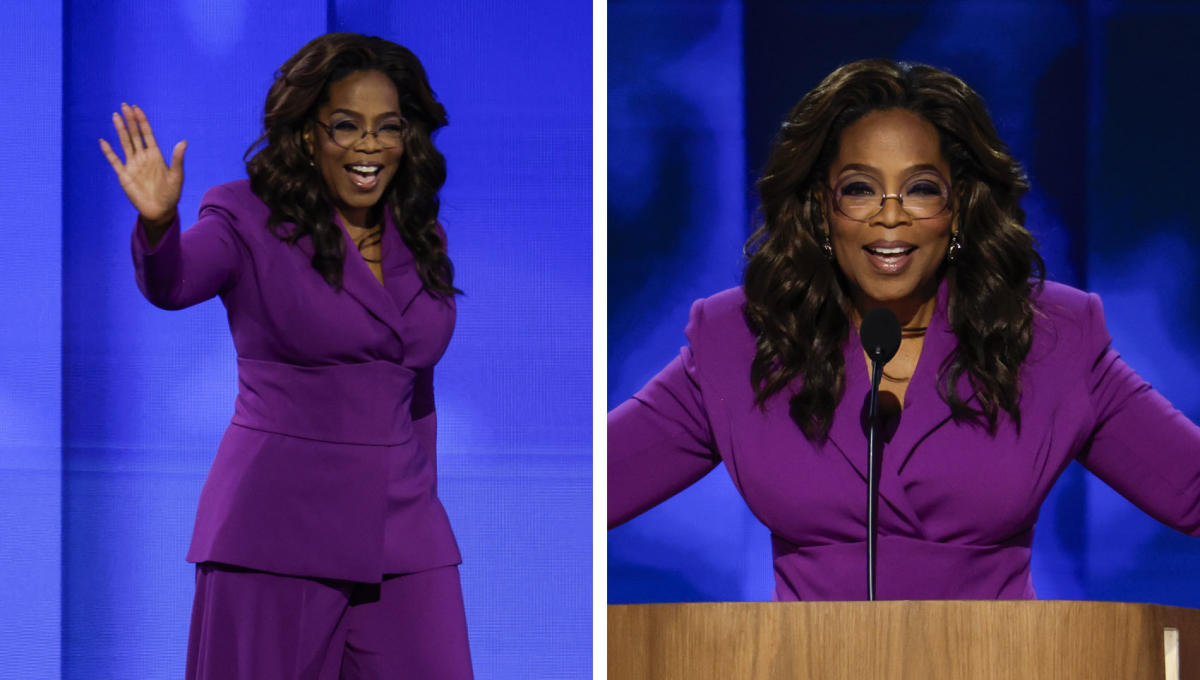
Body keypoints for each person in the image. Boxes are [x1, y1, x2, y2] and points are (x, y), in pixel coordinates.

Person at [608, 59, 1200, 601]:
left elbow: (1190, 487)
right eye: (860, 189)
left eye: (921, 188)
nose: (890, 215)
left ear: (959, 208)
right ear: (821, 209)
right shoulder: (740, 341)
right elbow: (578, 491)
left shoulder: (1049, 337)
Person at [99, 33, 473, 679]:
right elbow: (175, 284)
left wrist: (425, 499)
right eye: (346, 126)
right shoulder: (244, 216)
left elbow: (417, 394)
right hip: (276, 528)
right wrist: (159, 226)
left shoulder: (420, 232)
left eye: (388, 128)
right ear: (307, 135)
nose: (368, 146)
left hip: (406, 530)